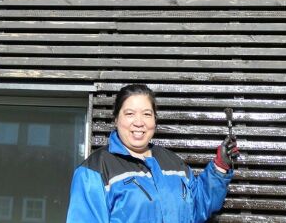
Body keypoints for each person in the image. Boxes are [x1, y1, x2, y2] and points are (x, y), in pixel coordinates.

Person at [66, 83, 239, 223]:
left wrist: (220, 167)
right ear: (116, 119)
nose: (139, 122)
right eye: (130, 114)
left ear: (155, 120)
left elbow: (198, 207)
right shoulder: (94, 171)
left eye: (147, 114)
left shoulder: (173, 164)